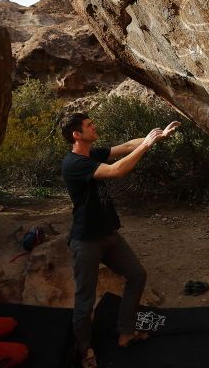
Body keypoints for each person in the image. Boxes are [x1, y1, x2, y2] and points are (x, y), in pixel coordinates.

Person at [59, 113, 180, 368]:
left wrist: (154, 138)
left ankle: (126, 332)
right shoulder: (73, 164)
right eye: (89, 126)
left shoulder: (91, 153)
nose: (94, 127)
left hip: (108, 234)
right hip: (86, 241)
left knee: (137, 275)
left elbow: (124, 148)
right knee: (85, 300)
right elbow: (117, 169)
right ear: (76, 135)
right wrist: (146, 145)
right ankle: (84, 351)